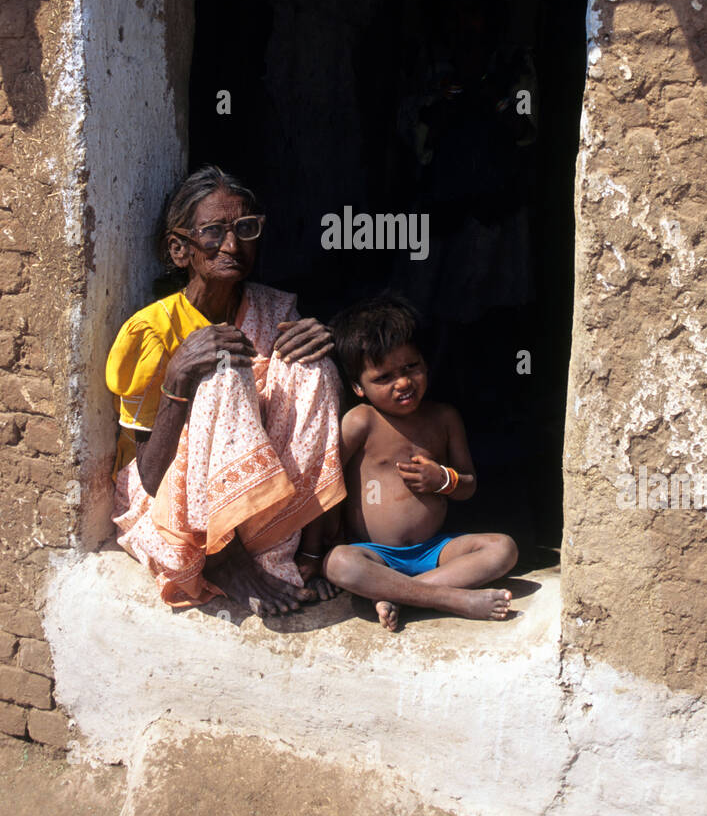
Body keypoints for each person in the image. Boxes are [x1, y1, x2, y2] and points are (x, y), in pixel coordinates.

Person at [106, 165, 345, 615]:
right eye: (213, 232)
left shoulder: (274, 310)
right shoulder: (152, 331)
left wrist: (328, 338)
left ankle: (284, 548)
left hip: (254, 499)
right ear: (180, 249)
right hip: (172, 501)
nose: (233, 246)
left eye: (245, 230)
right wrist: (178, 378)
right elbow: (150, 474)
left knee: (314, 366)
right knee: (224, 371)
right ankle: (224, 559)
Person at [313, 295, 518, 630]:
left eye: (411, 367)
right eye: (384, 377)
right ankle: (454, 599)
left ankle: (398, 595)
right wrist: (312, 551)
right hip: (373, 553)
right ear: (357, 387)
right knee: (339, 563)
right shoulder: (360, 421)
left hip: (434, 553)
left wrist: (443, 480)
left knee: (503, 549)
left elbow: (468, 486)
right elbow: (323, 483)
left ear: (426, 362)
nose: (403, 383)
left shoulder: (445, 418)